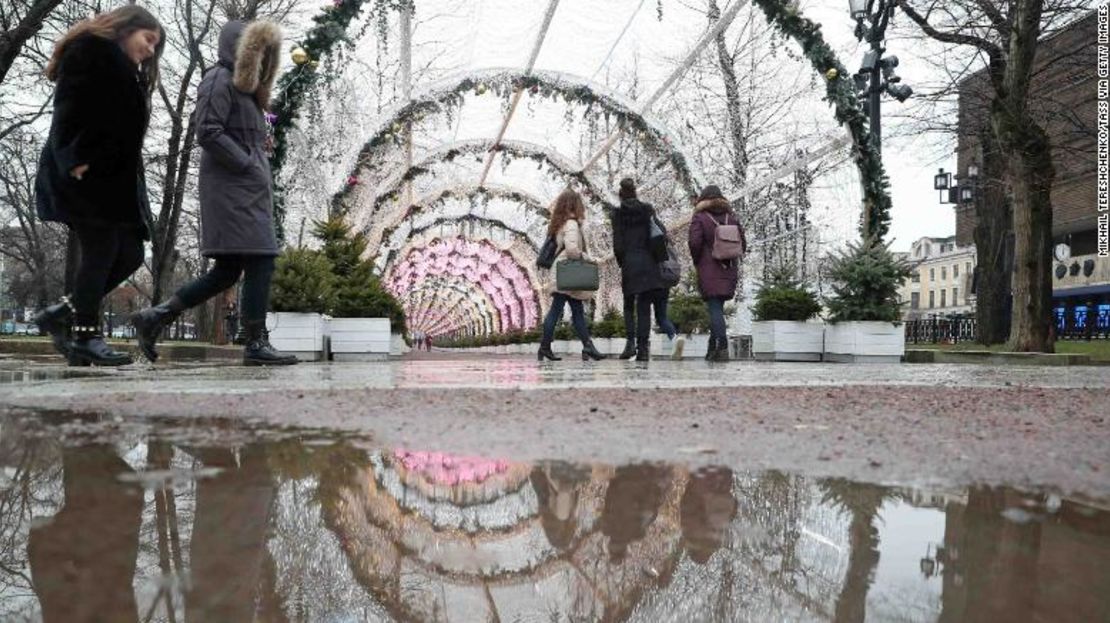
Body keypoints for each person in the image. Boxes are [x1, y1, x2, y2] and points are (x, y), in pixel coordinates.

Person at [130, 20, 296, 366]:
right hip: (232, 190)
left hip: (246, 190)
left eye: (269, 55)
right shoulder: (218, 79)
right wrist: (248, 162)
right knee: (262, 258)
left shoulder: (247, 93)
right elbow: (207, 130)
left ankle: (156, 316)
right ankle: (255, 342)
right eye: (258, 52)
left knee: (227, 271)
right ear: (243, 51)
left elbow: (236, 134)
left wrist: (259, 148)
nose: (264, 61)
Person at [32, 6, 165, 367]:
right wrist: (76, 157)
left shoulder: (123, 68)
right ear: (125, 29)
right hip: (83, 170)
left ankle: (61, 313)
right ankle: (85, 336)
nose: (150, 50)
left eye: (155, 45)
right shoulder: (91, 52)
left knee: (131, 255)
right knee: (101, 251)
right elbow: (68, 108)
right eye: (148, 39)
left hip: (115, 181)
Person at [611, 178, 680, 362]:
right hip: (649, 263)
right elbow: (661, 233)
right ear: (635, 192)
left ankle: (630, 343)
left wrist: (622, 262)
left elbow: (617, 244)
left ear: (620, 195)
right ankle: (642, 350)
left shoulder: (617, 214)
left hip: (629, 263)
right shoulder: (647, 210)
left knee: (628, 305)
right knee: (644, 308)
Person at [537, 188, 606, 362]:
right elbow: (572, 251)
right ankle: (547, 347)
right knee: (560, 310)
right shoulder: (571, 224)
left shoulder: (558, 224)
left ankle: (586, 346)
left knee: (575, 311)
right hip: (567, 272)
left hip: (562, 272)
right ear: (575, 205)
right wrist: (588, 258)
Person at [688, 185, 745, 362]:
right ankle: (712, 349)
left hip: (709, 267)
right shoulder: (732, 218)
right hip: (729, 267)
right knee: (717, 308)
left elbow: (694, 243)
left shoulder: (700, 217)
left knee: (714, 307)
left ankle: (722, 347)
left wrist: (698, 261)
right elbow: (743, 244)